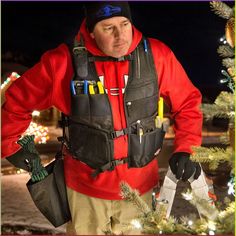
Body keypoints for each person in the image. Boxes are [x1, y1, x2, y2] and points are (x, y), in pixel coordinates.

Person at [1, 2, 202, 235]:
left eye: (124, 24)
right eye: (108, 28)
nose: (120, 36)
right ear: (92, 31)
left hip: (140, 191)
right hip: (85, 193)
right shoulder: (62, 62)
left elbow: (188, 102)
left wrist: (186, 147)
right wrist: (10, 143)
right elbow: (16, 101)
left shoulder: (156, 55)